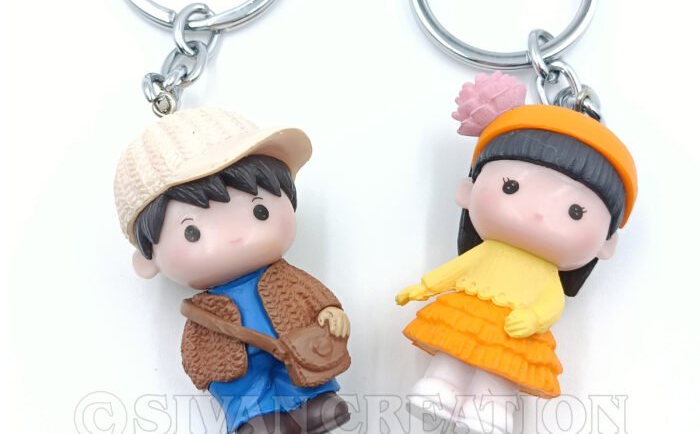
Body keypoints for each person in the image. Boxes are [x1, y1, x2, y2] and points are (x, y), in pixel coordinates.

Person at [396, 72, 637, 434]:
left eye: (575, 211)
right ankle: (439, 388)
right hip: (470, 314)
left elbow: (552, 303)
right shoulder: (489, 251)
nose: (538, 213)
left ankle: (490, 409)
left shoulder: (546, 274)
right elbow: (457, 270)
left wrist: (535, 318)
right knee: (453, 352)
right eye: (511, 187)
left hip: (517, 328)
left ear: (607, 244)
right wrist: (423, 287)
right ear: (467, 192)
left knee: (501, 368)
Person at [114, 107, 351, 434]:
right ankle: (256, 419)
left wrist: (328, 311)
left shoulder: (285, 278)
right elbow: (196, 345)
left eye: (259, 211)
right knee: (242, 390)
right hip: (235, 363)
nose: (234, 236)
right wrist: (206, 365)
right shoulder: (203, 310)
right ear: (147, 261)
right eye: (193, 232)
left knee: (303, 369)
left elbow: (313, 296)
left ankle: (313, 402)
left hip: (293, 343)